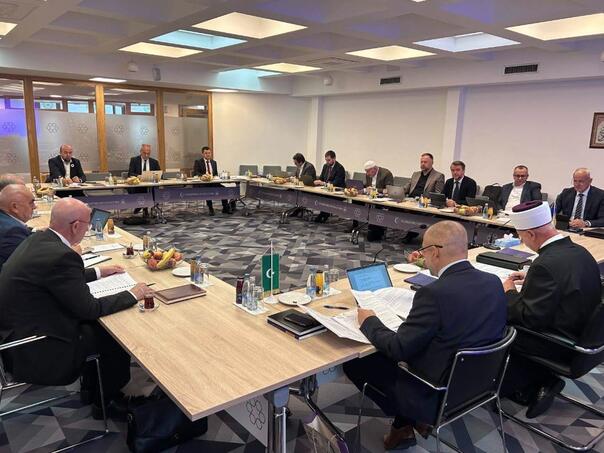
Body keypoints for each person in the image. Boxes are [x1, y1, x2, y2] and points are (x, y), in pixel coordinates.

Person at [344, 221, 506, 450]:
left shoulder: (434, 294)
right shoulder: (493, 282)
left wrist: (369, 321)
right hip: (479, 383)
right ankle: (407, 424)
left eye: (423, 251)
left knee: (357, 362)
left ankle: (407, 421)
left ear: (435, 252)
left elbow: (397, 348)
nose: (422, 256)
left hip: (436, 391)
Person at [0, 198, 150, 419]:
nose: (88, 229)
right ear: (76, 226)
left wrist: (99, 272)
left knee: (97, 327)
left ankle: (92, 388)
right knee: (113, 336)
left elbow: (57, 278)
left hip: (17, 329)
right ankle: (107, 402)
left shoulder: (40, 239)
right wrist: (132, 294)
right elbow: (90, 309)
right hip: (35, 346)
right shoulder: (61, 255)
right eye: (88, 224)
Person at [501, 200, 601, 418]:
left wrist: (509, 292)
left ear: (531, 234)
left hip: (560, 344)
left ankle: (527, 384)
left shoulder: (545, 265)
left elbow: (528, 318)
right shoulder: (578, 251)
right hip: (587, 338)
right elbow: (568, 280)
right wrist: (531, 278)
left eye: (521, 236)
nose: (522, 241)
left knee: (498, 324)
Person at [0, 184, 36, 271]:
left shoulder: (4, 219)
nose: (35, 207)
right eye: (31, 203)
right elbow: (31, 262)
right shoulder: (12, 231)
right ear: (14, 207)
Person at [193, 146, 232, 215]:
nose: (208, 154)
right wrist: (203, 176)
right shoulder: (198, 162)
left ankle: (225, 207)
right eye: (206, 153)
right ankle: (210, 208)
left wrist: (215, 177)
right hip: (203, 183)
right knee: (208, 190)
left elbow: (215, 174)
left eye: (209, 153)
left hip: (213, 182)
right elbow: (196, 172)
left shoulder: (214, 162)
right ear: (202, 154)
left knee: (223, 189)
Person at [363, 160, 394, 241]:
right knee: (356, 202)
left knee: (377, 207)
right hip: (371, 197)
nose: (367, 174)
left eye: (368, 171)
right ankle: (358, 225)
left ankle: (377, 230)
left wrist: (375, 190)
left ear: (374, 169)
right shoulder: (368, 174)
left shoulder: (386, 174)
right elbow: (368, 186)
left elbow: (388, 190)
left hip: (382, 199)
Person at [128, 144, 161, 216]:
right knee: (143, 189)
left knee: (155, 189)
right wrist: (138, 176)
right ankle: (142, 206)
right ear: (141, 152)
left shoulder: (154, 162)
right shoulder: (134, 160)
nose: (146, 155)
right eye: (144, 153)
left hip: (151, 184)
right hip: (139, 185)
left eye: (148, 153)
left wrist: (155, 176)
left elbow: (159, 174)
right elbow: (130, 173)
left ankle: (151, 207)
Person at [314, 150, 346, 223]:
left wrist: (323, 183)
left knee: (326, 197)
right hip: (326, 189)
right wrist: (317, 182)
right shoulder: (325, 166)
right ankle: (323, 213)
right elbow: (321, 178)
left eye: (329, 160)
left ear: (334, 159)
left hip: (337, 191)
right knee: (318, 194)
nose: (327, 162)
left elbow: (335, 183)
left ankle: (323, 214)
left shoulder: (340, 168)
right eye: (326, 160)